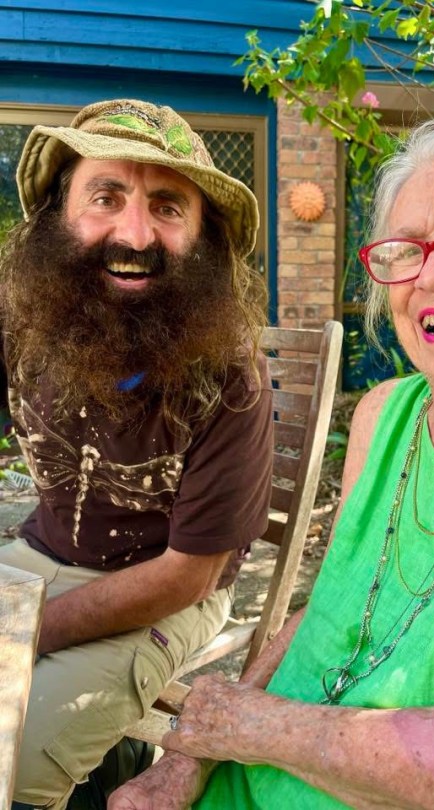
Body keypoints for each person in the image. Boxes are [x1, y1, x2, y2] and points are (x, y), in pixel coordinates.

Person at [110, 120, 434, 810]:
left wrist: (246, 726)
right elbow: (330, 608)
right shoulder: (384, 413)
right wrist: (190, 756)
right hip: (256, 767)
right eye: (407, 250)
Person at [0, 98, 273, 809]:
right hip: (36, 556)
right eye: (106, 197)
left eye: (167, 207)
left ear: (204, 237)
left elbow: (189, 575)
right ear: (58, 213)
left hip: (166, 592)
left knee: (9, 760)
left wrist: (25, 635)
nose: (134, 233)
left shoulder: (231, 377)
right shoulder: (23, 322)